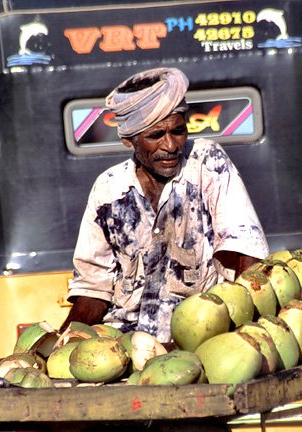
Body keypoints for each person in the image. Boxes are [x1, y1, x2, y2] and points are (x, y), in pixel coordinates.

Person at [60, 67, 269, 343]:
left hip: (200, 339)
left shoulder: (207, 162)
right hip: (126, 343)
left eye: (178, 131)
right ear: (129, 140)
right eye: (156, 135)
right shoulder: (108, 189)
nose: (170, 145)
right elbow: (93, 287)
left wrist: (238, 334)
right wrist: (56, 343)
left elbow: (247, 251)